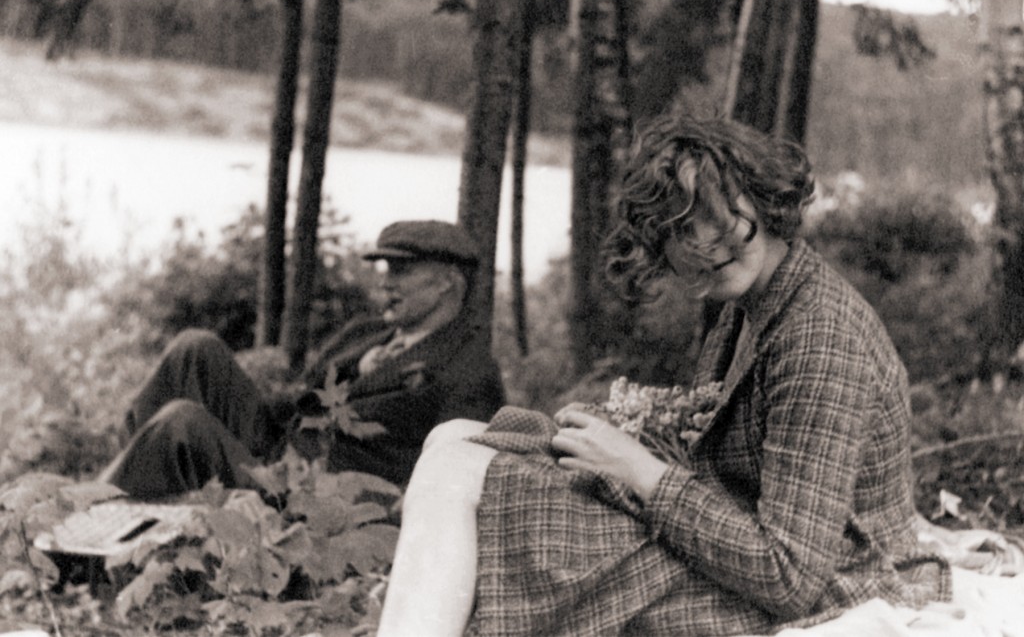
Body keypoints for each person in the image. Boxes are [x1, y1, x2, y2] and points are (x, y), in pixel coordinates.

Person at [376, 116, 950, 636]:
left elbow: (791, 576)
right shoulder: (752, 308)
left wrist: (638, 470)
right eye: (680, 229)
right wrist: (622, 445)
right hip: (744, 544)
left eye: (719, 209)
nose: (705, 241)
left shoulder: (819, 336)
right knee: (452, 436)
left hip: (836, 584)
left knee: (464, 475)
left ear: (763, 195)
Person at [98, 220, 505, 500]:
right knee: (195, 348)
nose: (384, 281)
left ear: (448, 283)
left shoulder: (469, 371)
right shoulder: (367, 333)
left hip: (311, 494)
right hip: (282, 449)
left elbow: (457, 477)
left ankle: (81, 527)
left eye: (401, 270)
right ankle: (118, 482)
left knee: (181, 421)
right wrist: (357, 370)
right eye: (385, 268)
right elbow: (302, 396)